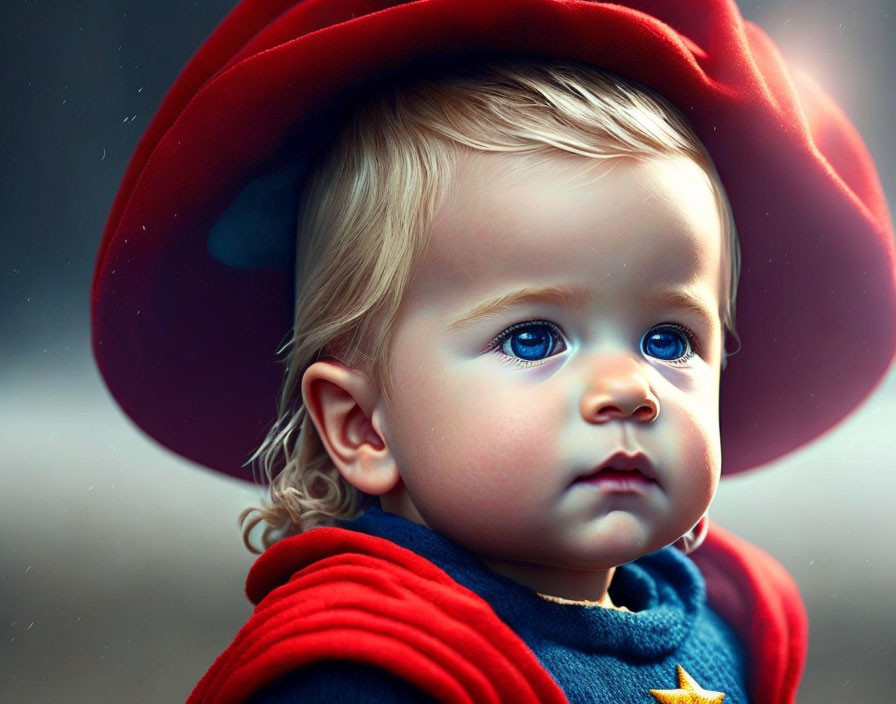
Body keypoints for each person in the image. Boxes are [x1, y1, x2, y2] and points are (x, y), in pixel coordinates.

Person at [91, 1, 896, 702]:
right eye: (534, 338)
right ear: (363, 425)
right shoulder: (369, 672)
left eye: (667, 338)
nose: (628, 389)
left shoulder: (723, 621)